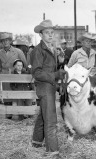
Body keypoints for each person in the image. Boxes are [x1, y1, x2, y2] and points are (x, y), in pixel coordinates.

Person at [30, 19, 66, 152]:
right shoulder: (38, 51)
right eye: (47, 33)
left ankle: (36, 143)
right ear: (40, 35)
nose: (50, 35)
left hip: (50, 87)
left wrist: (57, 84)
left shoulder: (52, 49)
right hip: (44, 88)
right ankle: (53, 152)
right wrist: (56, 75)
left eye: (52, 32)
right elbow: (37, 73)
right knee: (50, 120)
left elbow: (50, 70)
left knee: (43, 116)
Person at [0, 33, 27, 119]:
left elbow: (25, 65)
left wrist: (20, 72)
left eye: (7, 40)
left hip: (16, 77)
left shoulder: (18, 52)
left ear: (10, 41)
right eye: (3, 41)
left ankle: (21, 113)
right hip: (5, 77)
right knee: (7, 95)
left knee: (18, 94)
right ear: (1, 42)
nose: (5, 42)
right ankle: (9, 114)